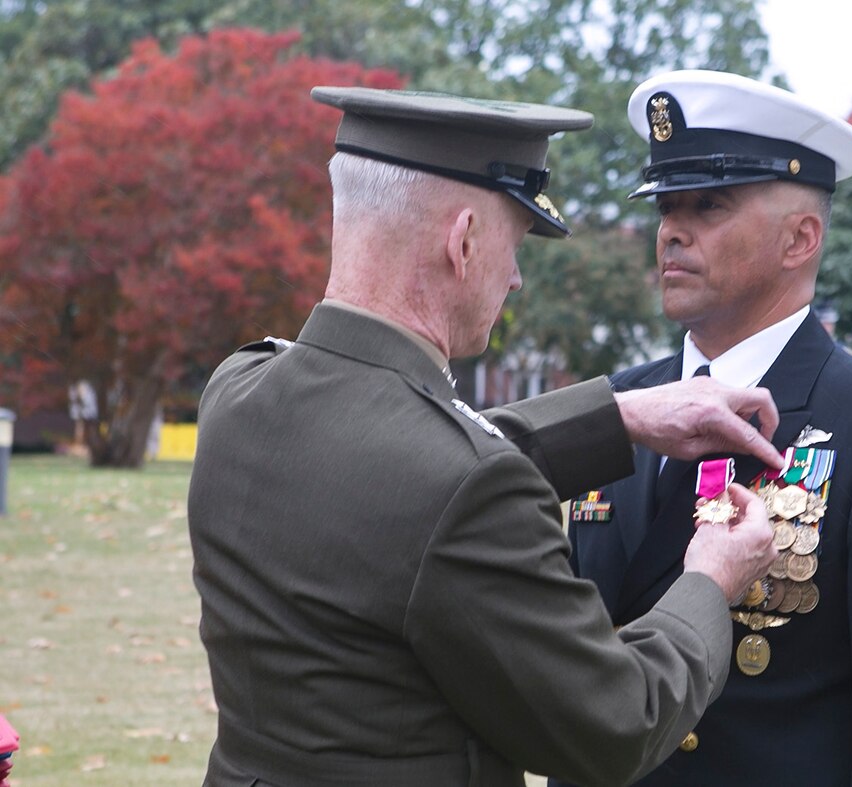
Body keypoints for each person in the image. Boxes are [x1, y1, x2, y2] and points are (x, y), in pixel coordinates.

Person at [187, 86, 785, 787]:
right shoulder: (464, 488)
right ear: (463, 240)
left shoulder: (239, 388)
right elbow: (618, 722)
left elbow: (396, 465)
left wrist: (616, 415)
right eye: (515, 243)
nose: (516, 278)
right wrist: (708, 581)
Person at [560, 70, 852, 786]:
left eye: (709, 205)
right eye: (667, 204)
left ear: (801, 238)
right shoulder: (618, 407)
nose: (673, 228)